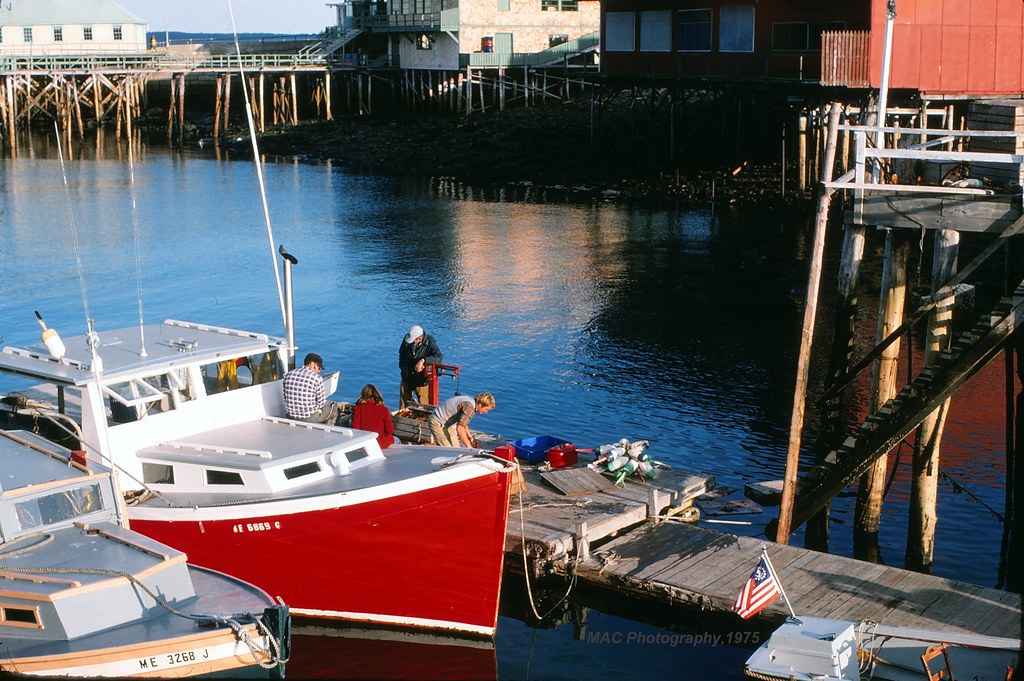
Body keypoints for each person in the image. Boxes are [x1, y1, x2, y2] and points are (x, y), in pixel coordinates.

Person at [283, 352, 339, 425]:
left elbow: (285, 397)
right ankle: (327, 431)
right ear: (312, 364)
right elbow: (321, 403)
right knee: (334, 406)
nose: (319, 371)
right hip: (309, 418)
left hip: (291, 416)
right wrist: (316, 408)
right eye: (319, 367)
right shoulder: (316, 378)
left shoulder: (288, 375)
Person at [398, 324, 443, 409]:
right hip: (406, 377)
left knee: (424, 405)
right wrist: (403, 368)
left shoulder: (430, 342)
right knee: (403, 405)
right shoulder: (407, 340)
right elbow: (401, 354)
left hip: (421, 380)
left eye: (413, 340)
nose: (411, 342)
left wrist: (423, 360)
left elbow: (438, 357)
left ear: (419, 338)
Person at [429, 392, 494, 448]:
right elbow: (460, 429)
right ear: (480, 405)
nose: (486, 412)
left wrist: (470, 437)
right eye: (486, 409)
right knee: (449, 451)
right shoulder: (470, 407)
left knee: (456, 449)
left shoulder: (471, 402)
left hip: (448, 424)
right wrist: (469, 447)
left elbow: (463, 422)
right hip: (437, 421)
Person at [352, 384, 395, 449]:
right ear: (377, 395)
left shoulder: (357, 408)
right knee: (393, 438)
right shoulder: (384, 410)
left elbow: (355, 428)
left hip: (363, 442)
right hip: (379, 443)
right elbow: (390, 430)